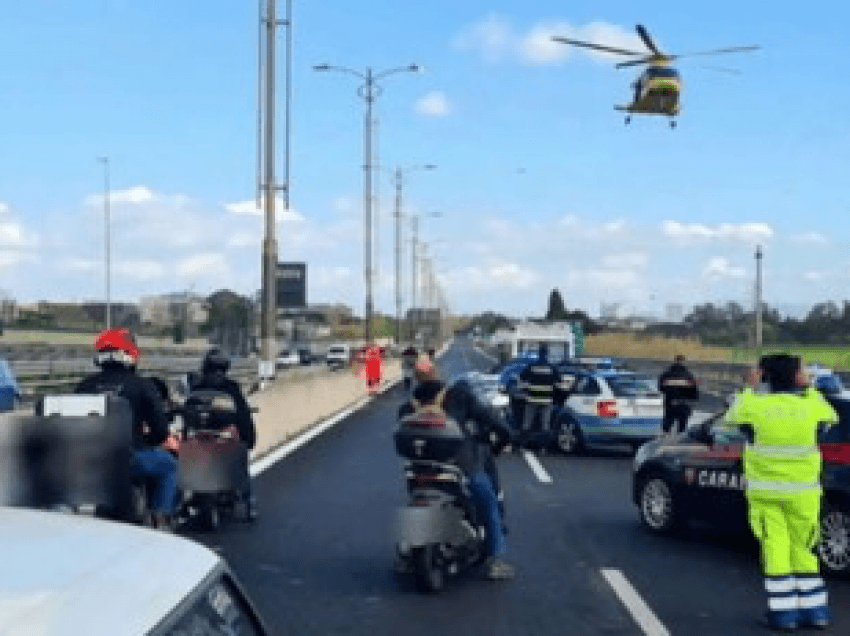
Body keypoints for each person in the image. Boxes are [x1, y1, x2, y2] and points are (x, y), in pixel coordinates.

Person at [725, 354, 838, 631]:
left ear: (765, 375)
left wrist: (750, 388)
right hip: (804, 494)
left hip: (766, 495)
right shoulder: (812, 405)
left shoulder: (755, 406)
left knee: (776, 549)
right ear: (797, 376)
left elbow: (732, 417)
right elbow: (831, 417)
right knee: (805, 549)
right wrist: (809, 387)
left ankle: (784, 615)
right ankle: (816, 612)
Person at [398, 357, 515, 580]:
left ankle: (405, 557)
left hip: (420, 470)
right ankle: (496, 559)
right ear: (437, 373)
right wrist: (505, 437)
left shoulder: (409, 405)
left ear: (415, 378)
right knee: (489, 501)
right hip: (461, 465)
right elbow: (492, 420)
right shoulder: (458, 396)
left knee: (414, 501)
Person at [75, 329, 178, 529]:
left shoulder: (84, 386)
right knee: (170, 466)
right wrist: (149, 441)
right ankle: (161, 518)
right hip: (129, 459)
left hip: (89, 462)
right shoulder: (142, 386)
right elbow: (160, 430)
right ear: (130, 355)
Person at [190, 347, 258, 520]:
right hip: (220, 433)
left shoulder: (197, 385)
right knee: (240, 463)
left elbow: (187, 409)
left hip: (202, 433)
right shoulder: (231, 387)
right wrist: (248, 439)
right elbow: (243, 415)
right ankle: (249, 502)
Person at [512, 344, 561, 445]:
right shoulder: (552, 368)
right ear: (547, 354)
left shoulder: (532, 367)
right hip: (546, 401)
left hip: (532, 399)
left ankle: (524, 444)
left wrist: (525, 388)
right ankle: (544, 447)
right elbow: (558, 382)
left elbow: (521, 378)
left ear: (538, 354)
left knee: (527, 425)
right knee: (545, 426)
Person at [658, 354, 699, 435]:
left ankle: (664, 439)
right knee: (682, 426)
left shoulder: (666, 375)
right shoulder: (688, 376)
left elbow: (661, 389)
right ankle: (678, 441)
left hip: (670, 402)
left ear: (674, 360)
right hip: (684, 403)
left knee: (668, 423)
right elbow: (694, 391)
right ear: (684, 362)